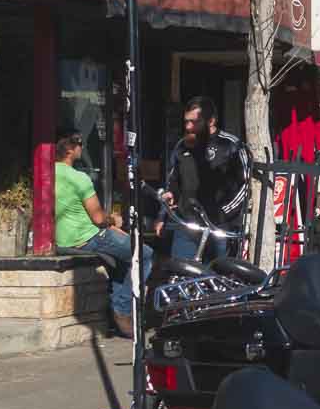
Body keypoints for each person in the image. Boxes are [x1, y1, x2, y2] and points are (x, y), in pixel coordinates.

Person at [54, 132, 144, 338]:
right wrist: (114, 221)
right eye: (79, 145)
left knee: (123, 260)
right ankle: (122, 312)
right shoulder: (79, 177)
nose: (82, 148)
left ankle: (117, 312)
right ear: (69, 150)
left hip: (62, 238)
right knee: (143, 253)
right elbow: (97, 218)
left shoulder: (46, 173)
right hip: (87, 238)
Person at [162, 98, 248, 259]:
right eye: (186, 122)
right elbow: (173, 180)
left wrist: (224, 212)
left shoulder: (230, 145)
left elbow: (246, 185)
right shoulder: (182, 145)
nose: (188, 127)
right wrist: (167, 205)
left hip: (218, 227)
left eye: (194, 122)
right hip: (187, 225)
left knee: (215, 278)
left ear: (211, 121)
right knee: (180, 276)